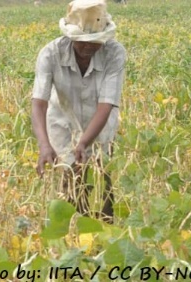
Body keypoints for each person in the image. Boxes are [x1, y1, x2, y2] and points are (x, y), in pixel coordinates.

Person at [31, 0, 126, 223]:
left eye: (93, 42)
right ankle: (75, 237)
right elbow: (39, 102)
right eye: (81, 42)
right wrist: (44, 145)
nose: (87, 47)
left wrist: (84, 142)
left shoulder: (115, 53)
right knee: (71, 181)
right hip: (64, 122)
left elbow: (106, 104)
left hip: (100, 125)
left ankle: (105, 233)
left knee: (102, 181)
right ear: (71, 36)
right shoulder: (50, 53)